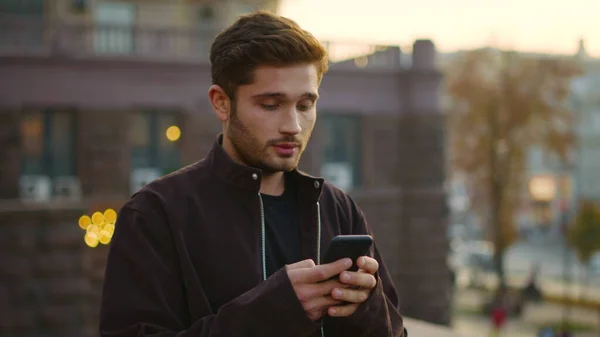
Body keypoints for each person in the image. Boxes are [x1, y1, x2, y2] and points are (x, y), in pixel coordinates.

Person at [99, 10, 406, 337]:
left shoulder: (338, 208)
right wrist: (274, 309)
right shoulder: (155, 214)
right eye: (271, 105)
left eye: (304, 105)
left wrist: (367, 304)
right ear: (221, 103)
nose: (293, 126)